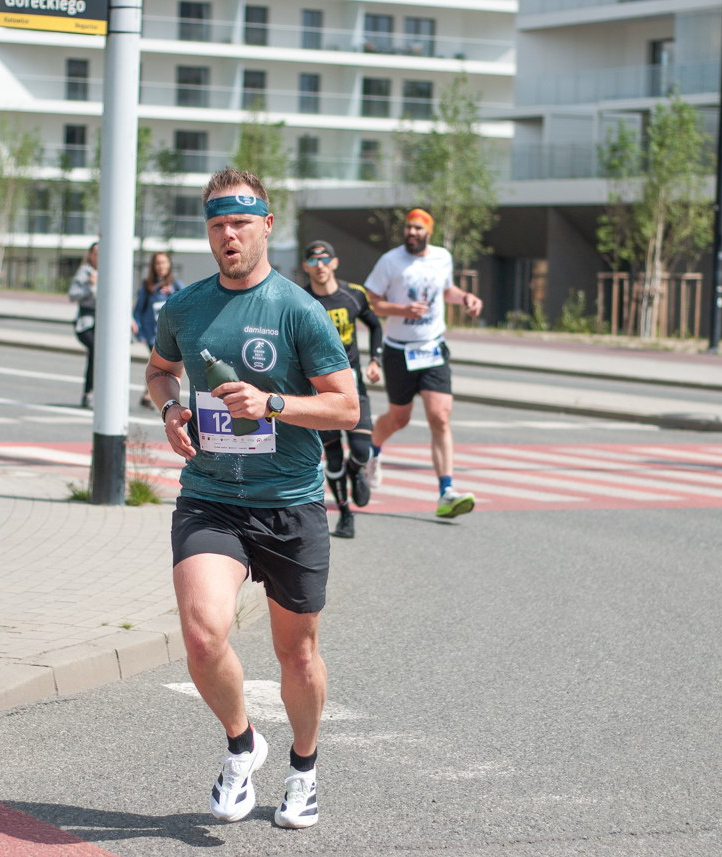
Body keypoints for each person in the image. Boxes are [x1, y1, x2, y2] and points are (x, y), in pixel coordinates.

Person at [146, 168, 357, 829]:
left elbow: (347, 407)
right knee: (202, 634)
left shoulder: (299, 310)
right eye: (217, 225)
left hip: (290, 500)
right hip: (211, 496)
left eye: (240, 222)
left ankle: (304, 769)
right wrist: (170, 409)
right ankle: (242, 745)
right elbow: (159, 370)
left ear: (266, 225)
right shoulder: (184, 307)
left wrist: (273, 403)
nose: (228, 235)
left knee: (297, 653)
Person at [363, 208, 482, 519]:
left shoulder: (442, 257)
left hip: (432, 349)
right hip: (399, 351)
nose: (412, 233)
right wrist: (401, 310)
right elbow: (371, 301)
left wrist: (466, 298)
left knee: (440, 417)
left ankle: (447, 492)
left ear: (429, 232)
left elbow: (447, 290)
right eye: (408, 228)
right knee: (399, 419)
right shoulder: (390, 261)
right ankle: (371, 451)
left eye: (417, 228)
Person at [301, 239, 382, 539]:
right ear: (306, 266)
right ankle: (346, 515)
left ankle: (356, 471)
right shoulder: (300, 299)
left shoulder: (354, 295)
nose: (320, 265)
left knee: (361, 450)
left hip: (353, 384)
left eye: (325, 259)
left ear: (334, 263)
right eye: (313, 260)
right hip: (319, 390)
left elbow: (376, 325)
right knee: (332, 457)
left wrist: (375, 360)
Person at [133, 251, 184, 409]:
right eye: (158, 263)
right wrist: (140, 331)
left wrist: (172, 293)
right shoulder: (148, 286)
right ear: (153, 266)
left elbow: (186, 302)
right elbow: (138, 310)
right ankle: (153, 395)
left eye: (164, 262)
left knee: (166, 366)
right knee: (158, 365)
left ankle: (149, 394)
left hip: (170, 334)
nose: (161, 266)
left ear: (169, 265)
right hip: (153, 335)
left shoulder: (176, 285)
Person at [68, 242, 99, 408]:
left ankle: (98, 392)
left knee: (104, 355)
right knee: (95, 350)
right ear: (91, 255)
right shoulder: (84, 272)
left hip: (103, 322)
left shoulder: (110, 271)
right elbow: (72, 295)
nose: (99, 257)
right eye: (96, 253)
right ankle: (88, 393)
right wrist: (89, 286)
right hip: (86, 321)